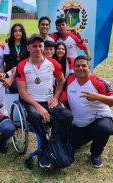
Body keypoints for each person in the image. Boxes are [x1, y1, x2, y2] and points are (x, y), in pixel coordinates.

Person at [16, 34, 73, 168]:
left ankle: (56, 144)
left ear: (44, 47)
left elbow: (61, 81)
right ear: (28, 48)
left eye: (40, 46)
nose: (37, 48)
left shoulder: (53, 63)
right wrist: (38, 107)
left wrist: (56, 97)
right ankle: (46, 147)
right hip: (31, 102)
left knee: (67, 116)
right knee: (35, 116)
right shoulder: (22, 65)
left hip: (49, 101)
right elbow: (22, 91)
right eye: (34, 46)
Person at [59, 55, 113, 168]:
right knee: (69, 146)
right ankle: (89, 136)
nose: (80, 68)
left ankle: (96, 154)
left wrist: (97, 97)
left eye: (84, 66)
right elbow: (62, 97)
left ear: (89, 67)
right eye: (77, 66)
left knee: (103, 129)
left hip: (99, 118)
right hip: (79, 124)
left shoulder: (98, 82)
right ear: (73, 67)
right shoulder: (70, 79)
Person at [3, 23, 30, 93]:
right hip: (11, 73)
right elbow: (7, 62)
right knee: (15, 87)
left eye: (20, 31)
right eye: (15, 31)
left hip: (25, 71)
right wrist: (15, 72)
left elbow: (29, 59)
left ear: (22, 32)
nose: (18, 33)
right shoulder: (8, 45)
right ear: (12, 33)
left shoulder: (27, 44)